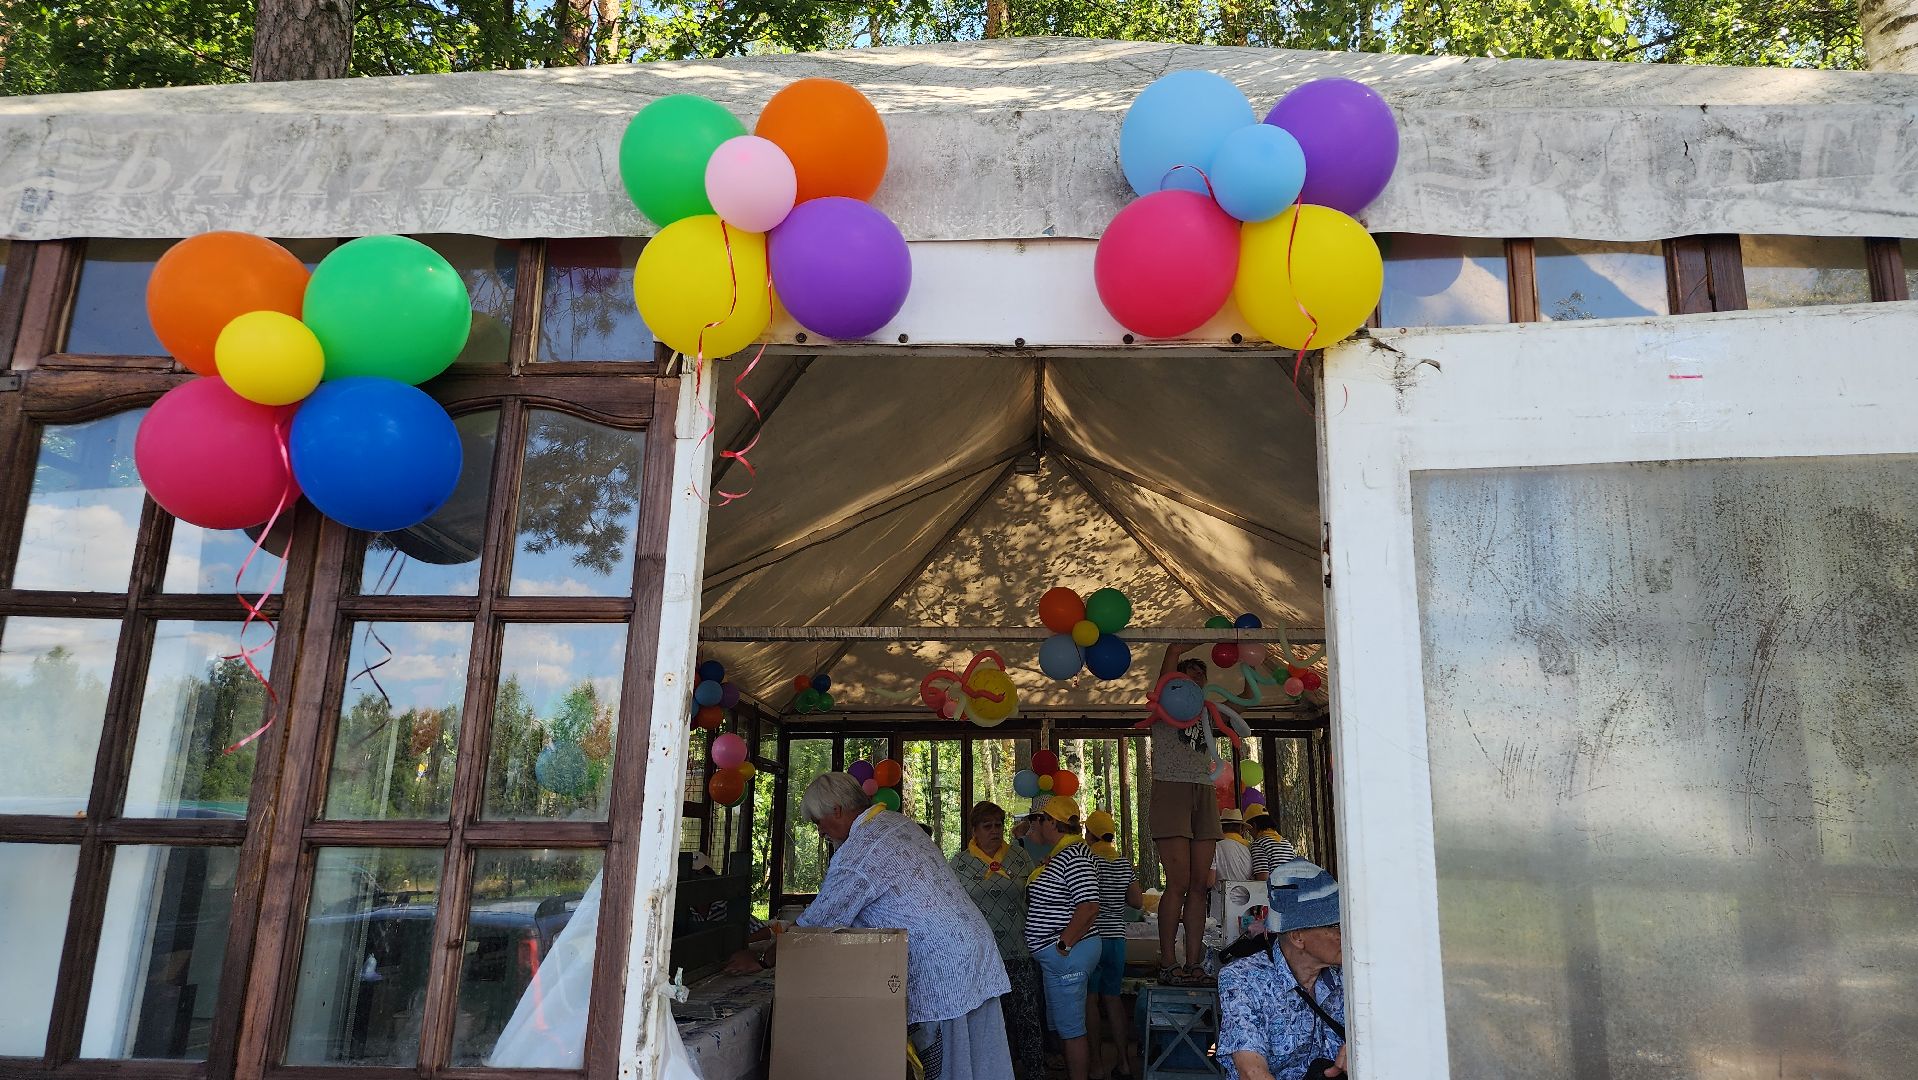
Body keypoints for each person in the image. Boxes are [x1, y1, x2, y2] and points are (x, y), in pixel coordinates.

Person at [729, 773, 1014, 1080]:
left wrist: (761, 960)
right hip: (973, 951)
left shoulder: (860, 850)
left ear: (837, 810)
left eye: (818, 821)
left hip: (943, 969)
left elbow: (815, 928)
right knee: (981, 1061)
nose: (821, 830)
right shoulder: (896, 822)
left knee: (949, 1065)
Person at [1216, 861, 1346, 1080]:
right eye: (1335, 926)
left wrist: (1365, 1050)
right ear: (1297, 937)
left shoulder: (1353, 973)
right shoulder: (1243, 978)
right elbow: (1252, 1071)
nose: (1346, 934)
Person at [950, 801, 1045, 1080]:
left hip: (1018, 948)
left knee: (1027, 1017)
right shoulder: (960, 863)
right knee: (989, 1021)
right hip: (981, 953)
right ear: (974, 830)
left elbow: (1035, 895)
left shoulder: (1019, 857)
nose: (994, 831)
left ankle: (1034, 1072)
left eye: (998, 825)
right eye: (987, 826)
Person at [1149, 644, 1226, 984]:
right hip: (1171, 788)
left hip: (1203, 790)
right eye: (1189, 675)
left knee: (1198, 885)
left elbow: (1236, 708)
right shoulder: (1164, 703)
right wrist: (1175, 648)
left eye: (1201, 677)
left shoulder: (1207, 713)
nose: (1195, 682)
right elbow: (1165, 675)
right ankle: (1168, 963)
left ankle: (1194, 964)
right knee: (1177, 883)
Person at [1023, 794, 1101, 1080]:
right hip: (1061, 955)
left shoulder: (1074, 855)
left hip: (1066, 953)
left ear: (1050, 822)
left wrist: (1062, 945)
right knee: (1065, 1028)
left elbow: (1089, 906)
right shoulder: (1062, 853)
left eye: (1037, 820)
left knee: (1071, 1031)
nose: (1033, 826)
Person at [1083, 810, 1143, 1080]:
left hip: (1091, 938)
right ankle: (1124, 1063)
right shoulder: (1122, 863)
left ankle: (1096, 1065)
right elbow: (1137, 902)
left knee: (1090, 1001)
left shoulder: (1088, 861)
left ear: (1090, 834)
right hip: (1117, 939)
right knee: (1113, 999)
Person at [1208, 806, 1254, 929]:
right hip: (1245, 909)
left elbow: (1209, 881)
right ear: (1241, 829)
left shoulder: (1215, 847)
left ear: (1221, 827)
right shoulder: (1250, 849)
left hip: (1220, 910)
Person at [1245, 807, 1299, 879]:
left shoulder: (1259, 845)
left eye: (1249, 830)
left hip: (1275, 890)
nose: (1250, 834)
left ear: (1254, 825)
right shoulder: (1286, 843)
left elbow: (1263, 879)